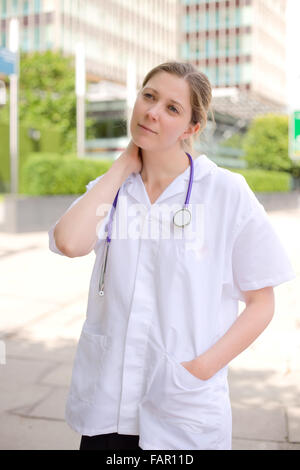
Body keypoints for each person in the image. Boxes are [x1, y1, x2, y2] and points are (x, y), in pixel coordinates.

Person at [48, 61, 296, 450]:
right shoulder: (111, 189)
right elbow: (69, 242)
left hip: (183, 408)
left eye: (172, 108)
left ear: (192, 128)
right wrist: (123, 164)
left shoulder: (225, 193)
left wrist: (199, 371)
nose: (152, 111)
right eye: (149, 96)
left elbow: (261, 302)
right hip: (108, 405)